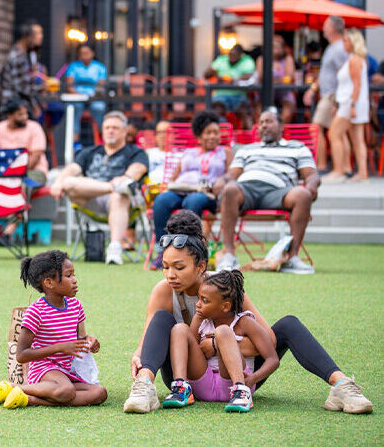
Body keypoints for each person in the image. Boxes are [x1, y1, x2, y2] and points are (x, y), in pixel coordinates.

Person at [123, 210, 373, 414]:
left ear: (200, 266)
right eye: (165, 266)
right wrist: (139, 357)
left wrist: (219, 342)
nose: (170, 275)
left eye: (178, 266)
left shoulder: (224, 288)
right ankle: (145, 386)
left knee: (289, 324)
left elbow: (269, 342)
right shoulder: (163, 290)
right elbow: (148, 335)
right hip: (188, 374)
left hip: (237, 373)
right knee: (163, 319)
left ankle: (341, 385)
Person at [0, 251, 107, 409]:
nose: (75, 280)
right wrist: (60, 347)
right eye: (69, 276)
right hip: (43, 369)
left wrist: (90, 341)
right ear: (49, 283)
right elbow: (21, 355)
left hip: (66, 371)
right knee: (66, 391)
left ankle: (29, 399)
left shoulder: (76, 306)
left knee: (100, 393)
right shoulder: (36, 311)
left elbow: (81, 339)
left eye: (74, 275)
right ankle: (12, 387)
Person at [213, 109, 318, 274]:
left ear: (281, 126)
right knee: (229, 189)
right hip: (247, 188)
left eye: (268, 121)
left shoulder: (297, 148)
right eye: (261, 123)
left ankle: (291, 258)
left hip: (279, 191)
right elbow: (232, 175)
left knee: (303, 194)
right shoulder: (246, 150)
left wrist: (311, 187)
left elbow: (311, 175)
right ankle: (229, 255)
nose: (263, 126)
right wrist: (221, 181)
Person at [161, 269, 279, 413]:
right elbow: (192, 349)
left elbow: (273, 359)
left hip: (231, 382)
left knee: (223, 331)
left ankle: (241, 391)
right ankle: (181, 388)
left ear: (225, 306)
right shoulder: (201, 319)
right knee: (179, 328)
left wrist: (253, 378)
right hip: (203, 385)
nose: (197, 304)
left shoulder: (245, 322)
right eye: (199, 298)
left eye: (204, 300)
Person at [50, 111, 148, 265]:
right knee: (68, 182)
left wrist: (126, 179)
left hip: (121, 204)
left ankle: (115, 248)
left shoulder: (135, 152)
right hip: (91, 198)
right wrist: (57, 182)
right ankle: (112, 187)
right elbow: (71, 170)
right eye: (107, 127)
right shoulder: (89, 152)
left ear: (124, 131)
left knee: (120, 194)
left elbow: (138, 169)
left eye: (115, 128)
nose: (110, 130)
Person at [150, 111, 232, 269]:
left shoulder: (225, 152)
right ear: (199, 136)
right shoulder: (189, 152)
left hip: (206, 194)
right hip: (181, 190)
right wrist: (167, 187)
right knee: (161, 200)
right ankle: (163, 251)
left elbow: (230, 174)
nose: (213, 136)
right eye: (208, 133)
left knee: (192, 201)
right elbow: (174, 177)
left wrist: (222, 182)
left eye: (216, 132)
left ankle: (187, 250)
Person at [303, 16, 348, 172]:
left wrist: (337, 100)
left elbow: (344, 74)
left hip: (332, 96)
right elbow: (325, 73)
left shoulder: (339, 48)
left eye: (325, 25)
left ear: (333, 28)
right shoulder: (331, 47)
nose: (323, 28)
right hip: (330, 95)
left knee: (316, 128)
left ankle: (324, 166)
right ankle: (344, 168)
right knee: (339, 133)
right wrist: (313, 89)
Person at [325, 29, 370, 184]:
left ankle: (340, 169)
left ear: (353, 42)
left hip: (350, 103)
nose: (343, 43)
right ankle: (361, 173)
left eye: (346, 40)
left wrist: (352, 105)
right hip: (351, 103)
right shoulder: (355, 59)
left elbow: (356, 85)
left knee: (334, 134)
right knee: (357, 139)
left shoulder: (354, 60)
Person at [0, 99, 49, 183]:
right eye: (20, 114)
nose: (25, 117)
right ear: (10, 116)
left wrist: (15, 172)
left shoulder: (35, 128)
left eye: (26, 113)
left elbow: (36, 156)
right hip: (3, 173)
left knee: (20, 187)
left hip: (32, 171)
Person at [0, 21, 44, 119]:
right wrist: (42, 87)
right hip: (13, 109)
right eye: (36, 34)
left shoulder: (23, 55)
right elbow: (22, 87)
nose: (40, 37)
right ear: (27, 37)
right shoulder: (18, 56)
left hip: (17, 107)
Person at [204, 45, 256, 125]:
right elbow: (206, 75)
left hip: (239, 95)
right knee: (217, 109)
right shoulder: (221, 60)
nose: (231, 57)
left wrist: (234, 80)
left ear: (240, 55)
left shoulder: (247, 61)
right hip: (221, 94)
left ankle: (246, 135)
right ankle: (223, 132)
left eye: (235, 55)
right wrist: (214, 73)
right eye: (230, 54)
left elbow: (250, 76)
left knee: (243, 112)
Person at [65, 43, 108, 139]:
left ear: (92, 53)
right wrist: (80, 95)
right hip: (77, 97)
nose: (84, 55)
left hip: (94, 98)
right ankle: (74, 141)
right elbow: (69, 86)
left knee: (99, 107)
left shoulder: (100, 67)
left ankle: (101, 136)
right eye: (82, 53)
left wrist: (92, 95)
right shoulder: (73, 66)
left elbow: (101, 86)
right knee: (73, 108)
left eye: (86, 53)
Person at [256, 35, 297, 123]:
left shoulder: (287, 59)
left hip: (283, 91)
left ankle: (279, 128)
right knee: (259, 110)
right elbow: (259, 78)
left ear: (283, 48)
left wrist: (278, 79)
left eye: (278, 46)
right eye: (273, 46)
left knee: (288, 108)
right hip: (265, 91)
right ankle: (262, 130)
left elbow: (289, 78)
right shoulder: (261, 59)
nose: (275, 49)